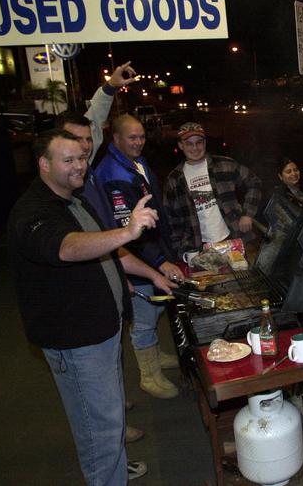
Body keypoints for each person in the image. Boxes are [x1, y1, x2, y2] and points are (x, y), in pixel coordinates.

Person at [7, 129, 156, 483]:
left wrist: (155, 273)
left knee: (110, 418)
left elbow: (103, 247)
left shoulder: (73, 199)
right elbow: (67, 247)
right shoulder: (33, 212)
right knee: (99, 429)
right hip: (76, 340)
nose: (79, 166)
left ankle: (115, 470)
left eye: (82, 158)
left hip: (102, 331)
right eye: (68, 160)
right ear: (44, 164)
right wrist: (128, 231)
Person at [56, 63, 176, 443]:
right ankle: (133, 391)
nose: (82, 150)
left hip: (115, 264)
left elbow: (122, 232)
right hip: (91, 287)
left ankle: (120, 396)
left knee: (131, 330)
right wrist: (147, 266)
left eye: (86, 143)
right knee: (128, 330)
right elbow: (118, 233)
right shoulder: (97, 178)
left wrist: (108, 87)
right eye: (74, 147)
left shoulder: (101, 168)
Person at [95, 115, 184, 400]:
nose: (138, 142)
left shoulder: (136, 162)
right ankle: (149, 375)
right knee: (144, 318)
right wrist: (159, 262)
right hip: (136, 261)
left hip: (152, 252)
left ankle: (155, 355)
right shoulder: (113, 176)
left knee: (156, 308)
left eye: (142, 136)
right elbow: (128, 233)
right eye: (132, 137)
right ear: (116, 139)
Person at [163, 122, 262, 263]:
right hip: (198, 247)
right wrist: (181, 250)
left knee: (239, 280)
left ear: (205, 143)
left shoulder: (225, 165)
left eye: (199, 142)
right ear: (180, 146)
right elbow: (171, 220)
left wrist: (247, 214)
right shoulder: (174, 180)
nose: (195, 148)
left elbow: (254, 183)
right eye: (189, 144)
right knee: (211, 284)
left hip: (232, 238)